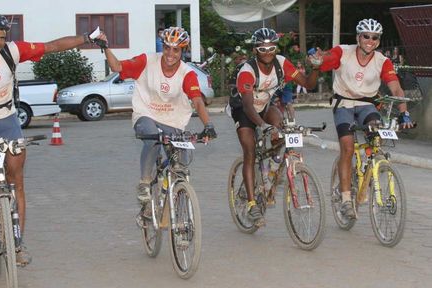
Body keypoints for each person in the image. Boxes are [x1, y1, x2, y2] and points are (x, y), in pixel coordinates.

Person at [0, 12, 102, 266]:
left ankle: (17, 245)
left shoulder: (13, 51)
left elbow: (52, 47)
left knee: (17, 180)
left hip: (8, 116)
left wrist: (87, 38)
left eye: (1, 37)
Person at [99, 26, 217, 204]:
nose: (170, 53)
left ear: (183, 50)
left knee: (181, 167)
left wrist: (208, 125)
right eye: (167, 48)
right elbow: (117, 66)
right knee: (153, 139)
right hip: (146, 113)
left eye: (176, 49)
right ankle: (145, 183)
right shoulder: (147, 61)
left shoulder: (187, 73)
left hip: (173, 120)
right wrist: (105, 47)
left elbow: (198, 101)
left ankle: (173, 203)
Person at [314, 18, 413, 219]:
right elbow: (328, 60)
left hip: (367, 104)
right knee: (348, 147)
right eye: (366, 36)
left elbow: (395, 88)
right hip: (344, 104)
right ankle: (345, 199)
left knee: (376, 137)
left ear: (378, 40)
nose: (370, 40)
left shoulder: (382, 61)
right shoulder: (344, 51)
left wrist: (404, 113)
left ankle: (369, 173)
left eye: (374, 37)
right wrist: (320, 59)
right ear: (358, 37)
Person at [230, 28, 320, 226]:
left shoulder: (281, 63)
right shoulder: (247, 71)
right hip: (244, 111)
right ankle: (252, 204)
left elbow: (307, 83)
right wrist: (263, 126)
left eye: (271, 47)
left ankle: (271, 166)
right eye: (263, 48)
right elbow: (246, 105)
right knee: (250, 150)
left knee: (283, 129)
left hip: (264, 107)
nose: (268, 52)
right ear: (255, 50)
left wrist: (316, 68)